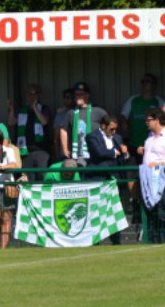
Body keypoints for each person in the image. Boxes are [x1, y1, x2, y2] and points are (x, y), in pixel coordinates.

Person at [85, 115, 128, 244]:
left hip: (113, 178)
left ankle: (116, 240)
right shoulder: (92, 136)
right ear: (103, 126)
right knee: (96, 210)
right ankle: (95, 240)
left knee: (114, 209)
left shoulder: (117, 138)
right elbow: (99, 152)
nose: (114, 132)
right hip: (98, 178)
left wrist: (125, 152)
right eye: (111, 129)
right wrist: (115, 153)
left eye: (115, 129)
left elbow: (122, 156)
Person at [139, 107, 165, 244]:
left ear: (157, 120)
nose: (146, 122)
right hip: (147, 180)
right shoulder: (149, 137)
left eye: (149, 120)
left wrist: (159, 164)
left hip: (161, 180)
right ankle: (152, 241)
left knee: (162, 211)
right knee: (151, 212)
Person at [7, 84, 52, 181]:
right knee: (27, 177)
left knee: (43, 176)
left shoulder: (44, 108)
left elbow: (44, 121)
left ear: (38, 95)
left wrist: (35, 108)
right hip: (25, 150)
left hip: (41, 149)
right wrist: (11, 109)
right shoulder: (22, 110)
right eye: (28, 94)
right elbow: (11, 122)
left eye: (33, 94)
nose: (30, 96)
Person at [60, 82, 108, 166]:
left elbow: (110, 126)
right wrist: (65, 149)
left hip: (95, 153)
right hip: (77, 154)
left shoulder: (98, 111)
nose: (77, 97)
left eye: (80, 94)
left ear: (87, 95)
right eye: (76, 95)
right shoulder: (71, 113)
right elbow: (63, 129)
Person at [120, 73, 164, 160]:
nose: (144, 83)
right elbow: (123, 115)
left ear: (154, 85)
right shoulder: (133, 100)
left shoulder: (159, 102)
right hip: (134, 143)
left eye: (147, 81)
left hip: (153, 145)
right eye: (143, 81)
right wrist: (124, 123)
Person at [53, 88, 76, 158]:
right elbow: (56, 139)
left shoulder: (81, 113)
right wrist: (57, 157)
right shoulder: (60, 115)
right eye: (64, 97)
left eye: (69, 97)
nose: (66, 99)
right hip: (64, 154)